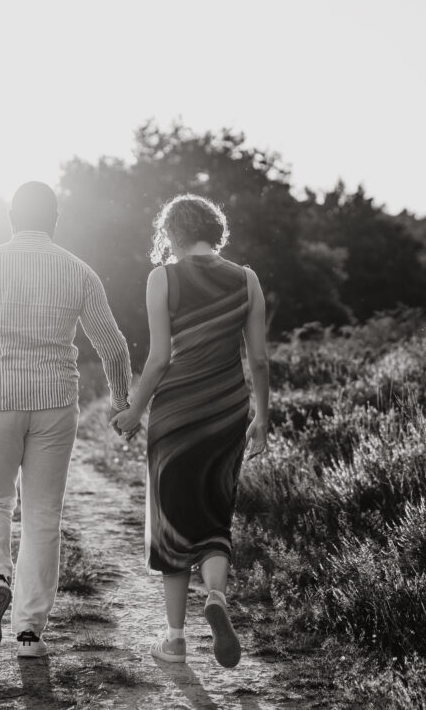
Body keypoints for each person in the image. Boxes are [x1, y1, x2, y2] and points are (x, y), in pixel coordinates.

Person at [0, 180, 133, 658]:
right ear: (55, 220)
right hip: (55, 402)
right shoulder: (79, 271)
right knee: (42, 513)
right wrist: (121, 402)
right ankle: (29, 633)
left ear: (11, 218)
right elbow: (114, 347)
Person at [112, 194, 269, 668]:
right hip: (227, 411)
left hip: (176, 414)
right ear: (214, 230)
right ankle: (216, 596)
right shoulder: (247, 279)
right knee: (215, 515)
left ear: (172, 234)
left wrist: (134, 410)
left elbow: (159, 358)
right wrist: (262, 417)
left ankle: (175, 641)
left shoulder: (163, 278)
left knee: (173, 520)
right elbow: (259, 359)